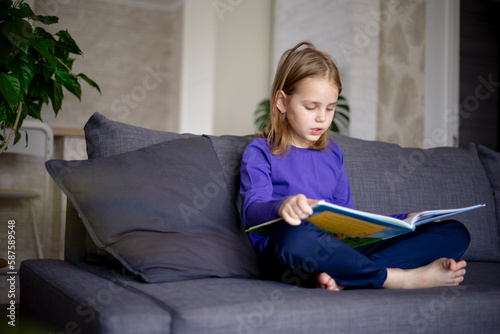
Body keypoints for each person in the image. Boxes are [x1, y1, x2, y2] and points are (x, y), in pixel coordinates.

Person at [239, 41, 470, 290]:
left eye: (330, 108)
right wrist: (283, 206)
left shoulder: (333, 154)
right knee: (295, 236)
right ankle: (397, 278)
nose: (322, 118)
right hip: (293, 252)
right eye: (311, 107)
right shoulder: (260, 151)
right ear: (282, 102)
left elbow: (348, 223)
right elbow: (252, 210)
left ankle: (345, 275)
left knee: (454, 232)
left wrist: (408, 219)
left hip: (337, 249)